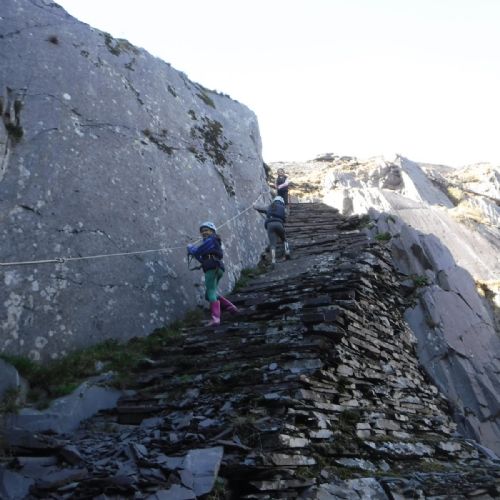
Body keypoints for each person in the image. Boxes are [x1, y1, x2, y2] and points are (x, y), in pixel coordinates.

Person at [187, 221, 238, 326]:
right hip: (217, 267)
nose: (204, 233)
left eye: (206, 230)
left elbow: (199, 251)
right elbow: (201, 258)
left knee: (210, 292)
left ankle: (216, 318)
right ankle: (230, 307)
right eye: (202, 231)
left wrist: (191, 248)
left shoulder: (212, 239)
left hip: (212, 266)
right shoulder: (214, 242)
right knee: (209, 294)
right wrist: (194, 252)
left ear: (212, 231)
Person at [254, 196, 291, 267]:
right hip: (279, 224)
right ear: (282, 202)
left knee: (272, 244)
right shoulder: (283, 208)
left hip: (270, 225)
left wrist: (254, 205)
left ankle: (273, 260)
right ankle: (287, 252)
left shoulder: (269, 206)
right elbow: (286, 217)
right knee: (284, 239)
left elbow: (259, 208)